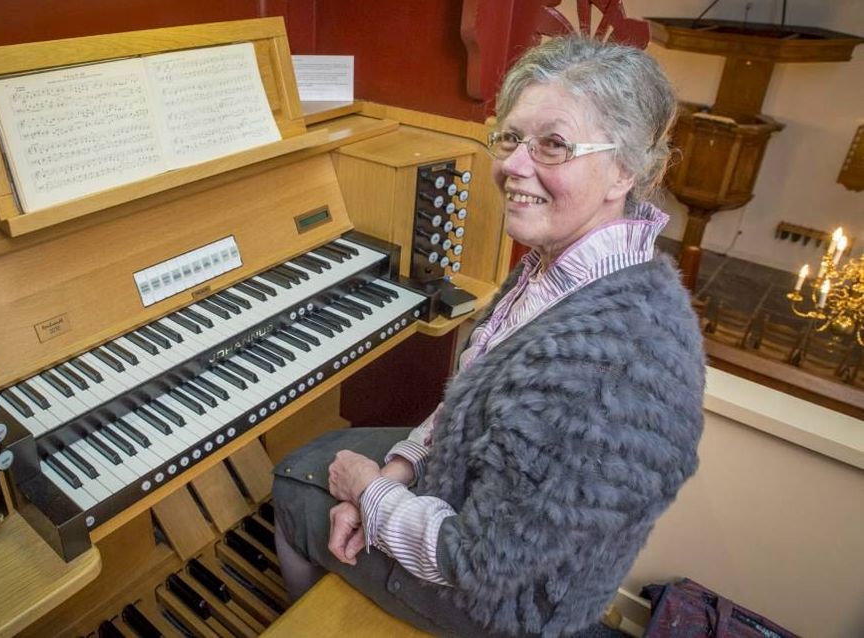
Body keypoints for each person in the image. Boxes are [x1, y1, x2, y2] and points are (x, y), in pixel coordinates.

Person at [272, 35, 705, 637]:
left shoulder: (612, 367)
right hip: (480, 505)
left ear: (624, 170)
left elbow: (476, 562)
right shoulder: (570, 264)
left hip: (508, 609)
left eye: (553, 145)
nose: (512, 166)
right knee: (322, 456)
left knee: (295, 482)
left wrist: (368, 493)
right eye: (509, 137)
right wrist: (399, 470)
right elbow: (473, 395)